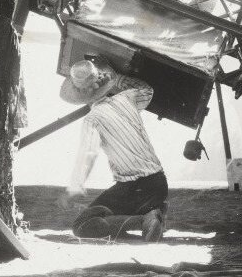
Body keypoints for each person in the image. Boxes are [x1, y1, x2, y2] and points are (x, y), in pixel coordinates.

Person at [58, 55, 167, 242]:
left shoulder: (92, 119)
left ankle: (143, 220)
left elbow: (89, 154)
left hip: (132, 188)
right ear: (103, 84)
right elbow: (146, 89)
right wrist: (116, 77)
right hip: (159, 184)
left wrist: (75, 187)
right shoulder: (127, 98)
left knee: (82, 225)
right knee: (121, 203)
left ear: (81, 97)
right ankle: (154, 213)